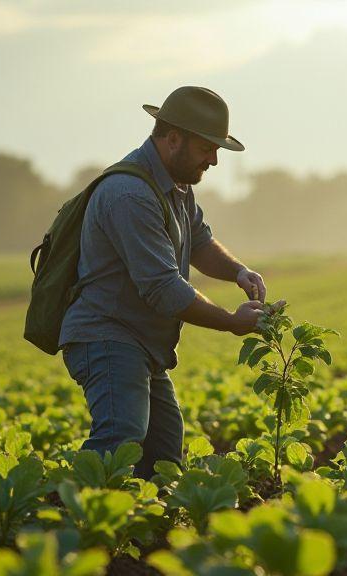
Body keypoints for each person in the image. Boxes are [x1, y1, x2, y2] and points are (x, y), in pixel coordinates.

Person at [59, 86, 269, 479]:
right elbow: (163, 289)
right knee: (120, 439)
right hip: (107, 336)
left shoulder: (177, 185)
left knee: (164, 454)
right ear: (173, 139)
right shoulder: (130, 194)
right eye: (208, 148)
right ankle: (69, 521)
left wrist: (239, 271)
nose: (215, 160)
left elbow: (200, 242)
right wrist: (231, 322)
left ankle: (147, 535)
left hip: (142, 343)